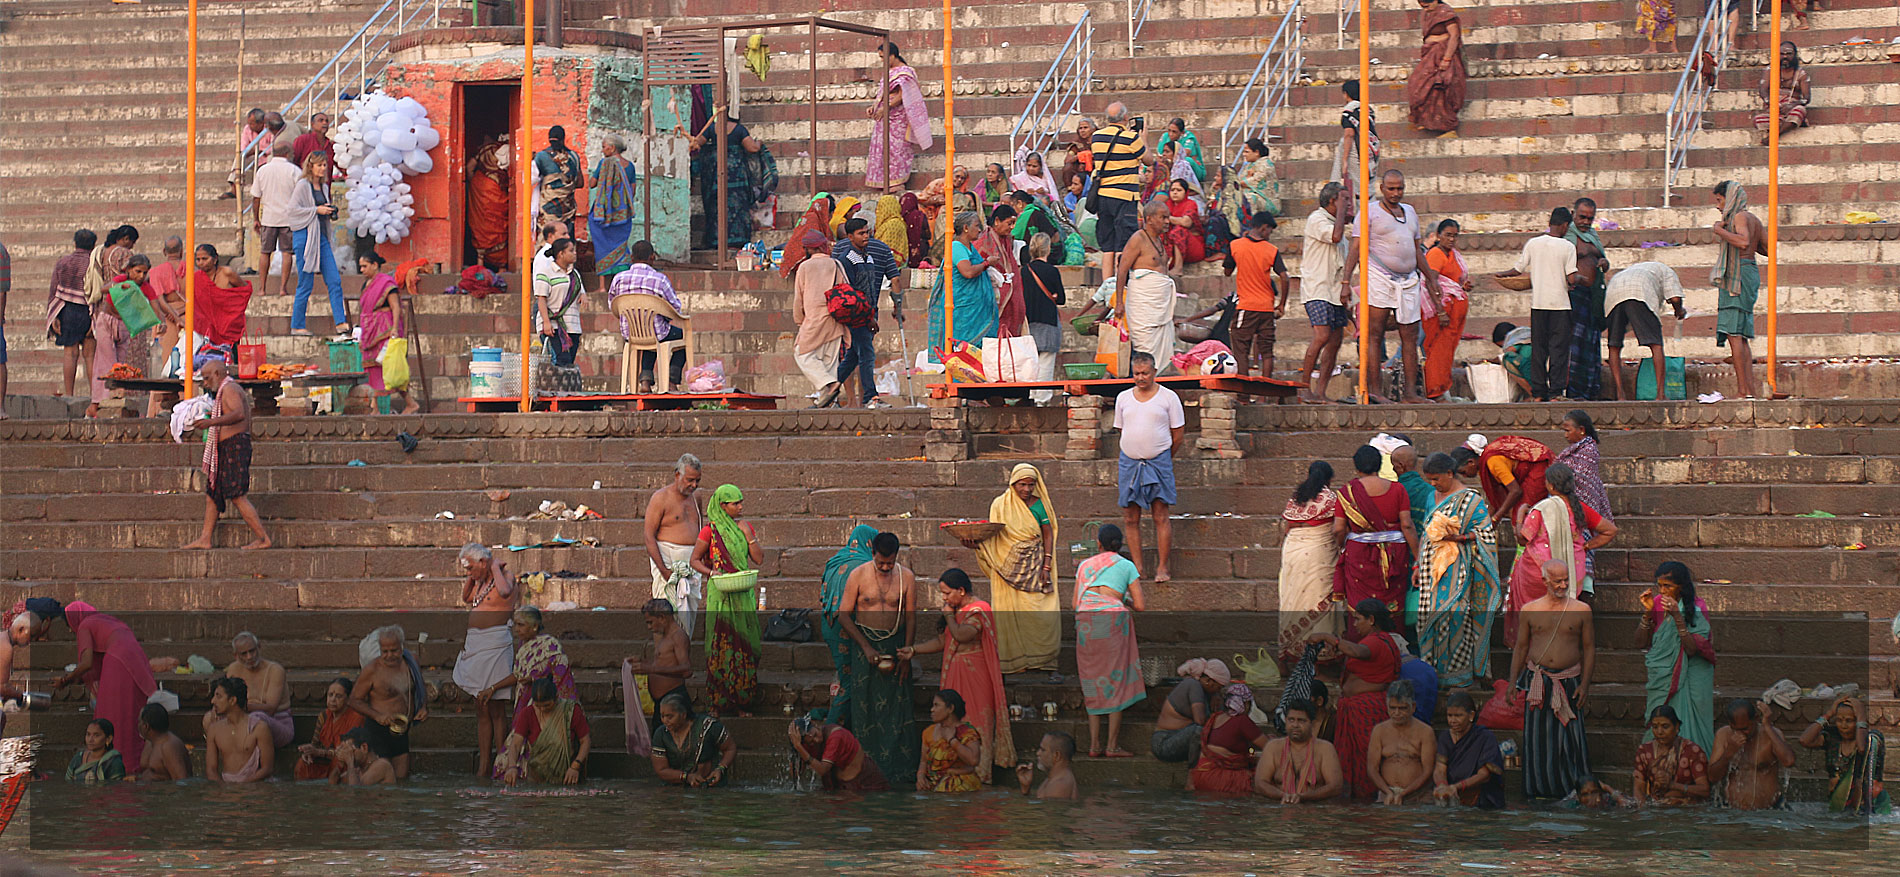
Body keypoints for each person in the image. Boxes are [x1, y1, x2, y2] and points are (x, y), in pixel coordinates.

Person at [10, 599, 156, 774]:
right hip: (132, 658)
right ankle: (129, 763)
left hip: (118, 662)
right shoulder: (104, 620)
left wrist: (65, 680)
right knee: (128, 713)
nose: (72, 631)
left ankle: (121, 765)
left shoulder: (85, 625)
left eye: (70, 627)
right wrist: (74, 678)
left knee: (112, 715)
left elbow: (86, 664)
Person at [897, 569, 1015, 780]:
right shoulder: (956, 611)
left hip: (977, 676)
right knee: (950, 721)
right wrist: (913, 650)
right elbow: (944, 642)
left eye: (947, 593)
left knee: (976, 721)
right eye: (942, 593)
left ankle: (979, 774)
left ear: (961, 591)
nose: (944, 598)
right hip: (955, 673)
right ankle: (950, 771)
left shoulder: (980, 609)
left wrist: (949, 615)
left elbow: (961, 635)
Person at [1342, 170, 1444, 403]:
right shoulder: (1369, 211)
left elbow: (1416, 248)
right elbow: (1356, 248)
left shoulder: (1409, 212)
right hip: (1378, 276)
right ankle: (1376, 392)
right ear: (1382, 188)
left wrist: (1430, 277)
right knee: (1374, 334)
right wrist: (1346, 282)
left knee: (1410, 335)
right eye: (1391, 189)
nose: (1396, 193)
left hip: (1408, 279)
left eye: (1400, 188)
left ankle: (1409, 393)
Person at [1508, 558, 1597, 800]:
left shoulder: (1581, 610)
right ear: (1544, 580)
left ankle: (1579, 791)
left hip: (1570, 680)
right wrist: (1511, 682)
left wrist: (1585, 685)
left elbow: (1589, 648)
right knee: (1538, 739)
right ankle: (1539, 792)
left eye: (1566, 580)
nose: (1563, 585)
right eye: (1557, 581)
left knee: (1573, 739)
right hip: (1538, 680)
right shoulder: (1529, 610)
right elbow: (1521, 647)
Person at [839, 531, 921, 783]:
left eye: (889, 562)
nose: (885, 567)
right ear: (873, 553)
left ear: (897, 556)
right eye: (880, 562)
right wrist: (865, 647)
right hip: (865, 645)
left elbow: (910, 618)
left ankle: (900, 774)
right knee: (865, 708)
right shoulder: (858, 575)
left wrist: (906, 655)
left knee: (898, 708)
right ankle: (864, 772)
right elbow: (843, 615)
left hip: (895, 645)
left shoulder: (906, 577)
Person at [965, 464, 1061, 675]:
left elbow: (1048, 533)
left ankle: (1042, 661)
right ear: (1013, 484)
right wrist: (977, 545)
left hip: (1036, 566)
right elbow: (994, 537)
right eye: (1022, 485)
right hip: (1007, 567)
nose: (1026, 489)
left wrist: (1046, 564)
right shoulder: (1000, 505)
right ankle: (1016, 663)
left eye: (1030, 485)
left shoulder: (1039, 505)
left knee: (1041, 612)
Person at [1415, 452, 1501, 689]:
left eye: (1437, 479)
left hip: (1459, 569)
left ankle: (1457, 676)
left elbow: (1485, 533)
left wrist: (1460, 536)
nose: (1433, 484)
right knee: (1427, 618)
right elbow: (1426, 531)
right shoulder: (1432, 495)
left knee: (1454, 617)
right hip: (1430, 569)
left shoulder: (1471, 500)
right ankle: (1431, 673)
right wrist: (1416, 564)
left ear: (1450, 474)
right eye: (1430, 479)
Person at [1309, 599, 1404, 799]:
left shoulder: (1376, 640)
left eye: (1358, 619)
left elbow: (1358, 652)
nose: (1354, 624)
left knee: (1366, 755)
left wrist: (1328, 637)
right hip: (1359, 708)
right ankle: (1358, 798)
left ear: (1371, 620)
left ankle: (1369, 796)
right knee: (1356, 757)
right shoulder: (1381, 639)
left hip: (1366, 709)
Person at [1509, 463, 1617, 639]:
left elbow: (1522, 538)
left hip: (1539, 573)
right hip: (1572, 572)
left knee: (1536, 623)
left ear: (1550, 485)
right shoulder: (1580, 507)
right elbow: (1610, 530)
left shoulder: (1542, 508)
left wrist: (1521, 514)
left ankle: (1535, 657)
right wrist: (1586, 546)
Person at [1072, 524, 1147, 758]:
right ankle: (1111, 746)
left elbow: (1075, 604)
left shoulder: (1085, 565)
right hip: (1112, 623)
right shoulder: (1126, 566)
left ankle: (1094, 745)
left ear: (1099, 544)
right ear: (1120, 544)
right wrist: (1121, 597)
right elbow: (1141, 606)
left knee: (1092, 682)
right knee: (1115, 681)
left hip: (1087, 626)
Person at [180, 360, 271, 550]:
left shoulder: (229, 388)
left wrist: (212, 422)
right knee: (213, 493)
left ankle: (263, 538)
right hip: (226, 447)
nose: (204, 383)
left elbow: (239, 414)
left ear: (217, 374)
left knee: (237, 495)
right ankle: (205, 538)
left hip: (235, 446)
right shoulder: (225, 389)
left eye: (206, 378)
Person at [1495, 207, 1580, 401]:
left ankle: (1539, 393)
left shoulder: (1533, 243)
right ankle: (1557, 392)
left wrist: (1502, 274)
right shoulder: (1567, 247)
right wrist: (1582, 278)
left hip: (1539, 306)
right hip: (1560, 306)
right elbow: (1572, 279)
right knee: (1559, 351)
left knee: (1539, 350)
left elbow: (1517, 269)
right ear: (1565, 225)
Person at [692, 483, 762, 716]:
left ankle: (742, 703)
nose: (740, 507)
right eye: (735, 503)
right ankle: (717, 703)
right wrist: (712, 572)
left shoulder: (745, 527)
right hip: (720, 596)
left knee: (745, 645)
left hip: (743, 595)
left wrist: (749, 536)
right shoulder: (709, 532)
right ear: (722, 506)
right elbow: (695, 560)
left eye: (741, 502)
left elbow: (759, 560)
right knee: (720, 647)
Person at [1115, 354, 1185, 582]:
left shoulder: (1168, 397)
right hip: (1129, 462)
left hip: (1158, 462)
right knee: (1130, 517)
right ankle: (1138, 568)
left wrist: (1162, 456)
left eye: (1145, 373)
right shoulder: (1123, 398)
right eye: (1136, 373)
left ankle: (1163, 568)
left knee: (1160, 514)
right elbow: (1121, 430)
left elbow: (1178, 434)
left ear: (1154, 372)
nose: (1141, 377)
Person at [452, 543, 518, 777]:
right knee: (481, 706)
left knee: (497, 707)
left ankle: (501, 761)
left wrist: (495, 567)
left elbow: (504, 592)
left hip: (496, 645)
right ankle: (483, 765)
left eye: (471, 568)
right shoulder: (479, 581)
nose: (469, 573)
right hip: (476, 645)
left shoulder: (505, 576)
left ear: (483, 562)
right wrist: (472, 575)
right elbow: (466, 598)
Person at [1640, 562, 1715, 757]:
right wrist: (1648, 613)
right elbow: (1639, 642)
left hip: (1691, 677)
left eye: (1668, 586)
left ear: (1681, 586)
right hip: (1663, 677)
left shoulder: (1697, 607)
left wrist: (1677, 617)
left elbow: (1692, 650)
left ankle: (1694, 772)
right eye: (1660, 586)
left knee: (1692, 728)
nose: (1662, 591)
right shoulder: (1657, 603)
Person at [1333, 445, 1417, 615]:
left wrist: (1340, 546)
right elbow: (1407, 525)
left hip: (1359, 555)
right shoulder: (1398, 489)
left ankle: (1361, 640)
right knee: (1393, 606)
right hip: (1394, 555)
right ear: (1379, 465)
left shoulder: (1346, 493)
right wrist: (1418, 557)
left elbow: (1338, 529)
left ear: (1356, 468)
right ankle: (1392, 641)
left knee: (1360, 608)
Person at [835, 216, 903, 408]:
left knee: (852, 358)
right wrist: (868, 318)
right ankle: (870, 398)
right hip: (857, 315)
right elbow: (853, 293)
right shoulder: (847, 259)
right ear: (850, 236)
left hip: (868, 313)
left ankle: (827, 391)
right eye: (861, 233)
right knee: (866, 354)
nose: (866, 236)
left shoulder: (868, 257)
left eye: (867, 232)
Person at [1277, 462, 1341, 654]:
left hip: (1293, 550)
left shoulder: (1297, 496)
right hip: (1318, 552)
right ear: (1330, 479)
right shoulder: (1332, 498)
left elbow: (1288, 528)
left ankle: (1286, 653)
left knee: (1291, 599)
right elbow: (1338, 528)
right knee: (1318, 598)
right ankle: (1319, 658)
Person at [1709, 181, 1765, 398]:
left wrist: (1719, 232)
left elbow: (1742, 242)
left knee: (1734, 335)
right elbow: (1768, 249)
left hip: (1737, 275)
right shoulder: (1754, 219)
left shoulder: (1739, 217)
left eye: (1719, 200)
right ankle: (1749, 391)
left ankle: (1743, 392)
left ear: (1729, 198)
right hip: (1749, 271)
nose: (1718, 206)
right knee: (1741, 336)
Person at [1296, 183, 1352, 404]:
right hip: (1317, 288)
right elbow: (1335, 237)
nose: (1348, 204)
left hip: (1335, 291)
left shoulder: (1338, 228)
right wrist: (1342, 214)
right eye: (1344, 199)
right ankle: (1303, 388)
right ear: (1332, 201)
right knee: (1321, 336)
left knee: (1336, 340)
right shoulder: (1316, 220)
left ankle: (1320, 391)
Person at [350, 625, 428, 779]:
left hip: (402, 729)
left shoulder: (411, 661)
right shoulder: (372, 670)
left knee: (401, 779)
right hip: (377, 731)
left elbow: (419, 686)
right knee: (382, 779)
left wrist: (423, 707)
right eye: (385, 651)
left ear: (402, 647)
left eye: (394, 651)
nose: (389, 655)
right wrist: (377, 715)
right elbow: (353, 700)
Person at [1220, 212, 1289, 382]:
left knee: (1241, 350)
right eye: (1269, 232)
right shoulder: (1271, 250)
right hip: (1266, 307)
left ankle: (1243, 395)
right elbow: (1285, 277)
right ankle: (1265, 394)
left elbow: (1227, 271)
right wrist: (1281, 305)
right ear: (1264, 228)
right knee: (1267, 352)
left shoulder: (1236, 246)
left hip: (1246, 306)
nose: (1269, 236)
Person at [819, 524, 878, 725]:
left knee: (847, 678)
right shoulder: (864, 566)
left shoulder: (836, 561)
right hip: (848, 626)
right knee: (850, 682)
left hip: (830, 625)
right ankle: (831, 733)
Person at [1604, 261, 1687, 401]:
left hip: (1614, 290)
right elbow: (1675, 298)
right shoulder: (1667, 271)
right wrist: (1679, 310)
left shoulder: (1637, 269)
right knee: (1656, 344)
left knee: (1614, 345)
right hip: (1639, 291)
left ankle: (1620, 395)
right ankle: (1660, 395)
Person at [478, 606, 578, 721]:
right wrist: (493, 688)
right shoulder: (523, 647)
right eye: (515, 624)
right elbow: (518, 675)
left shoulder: (550, 645)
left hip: (545, 705)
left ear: (535, 626)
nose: (516, 629)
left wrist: (534, 679)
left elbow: (561, 675)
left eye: (521, 625)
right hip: (524, 702)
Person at [286, 151, 346, 338]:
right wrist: (315, 210)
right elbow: (292, 211)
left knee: (334, 280)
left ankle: (341, 322)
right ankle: (297, 325)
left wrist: (327, 212)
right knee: (306, 282)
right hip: (305, 236)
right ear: (310, 166)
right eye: (319, 165)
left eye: (324, 165)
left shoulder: (325, 187)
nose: (322, 168)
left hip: (320, 236)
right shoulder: (303, 186)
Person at [646, 454, 706, 639]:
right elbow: (649, 536)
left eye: (697, 480)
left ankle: (681, 662)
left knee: (687, 622)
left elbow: (701, 529)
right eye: (690, 480)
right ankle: (664, 663)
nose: (694, 485)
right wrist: (663, 570)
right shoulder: (660, 498)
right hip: (668, 563)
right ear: (677, 475)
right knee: (665, 619)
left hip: (691, 565)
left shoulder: (697, 497)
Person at [790, 229, 851, 408]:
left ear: (808, 249)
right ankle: (828, 403)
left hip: (814, 318)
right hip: (835, 319)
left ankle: (829, 385)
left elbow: (798, 298)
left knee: (802, 353)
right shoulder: (836, 264)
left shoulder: (805, 267)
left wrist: (799, 320)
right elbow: (846, 290)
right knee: (829, 362)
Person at [1798, 695, 1890, 814]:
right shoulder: (1832, 737)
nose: (1843, 725)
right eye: (1839, 720)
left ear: (1858, 721)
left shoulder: (1873, 738)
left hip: (1868, 808)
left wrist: (1862, 715)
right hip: (1838, 805)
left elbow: (1862, 748)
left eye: (1849, 720)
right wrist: (1829, 714)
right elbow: (1804, 740)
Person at [496, 676, 592, 787]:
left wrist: (575, 766)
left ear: (556, 697)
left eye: (547, 705)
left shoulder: (570, 711)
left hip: (568, 776)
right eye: (538, 706)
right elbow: (516, 744)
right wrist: (512, 766)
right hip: (536, 777)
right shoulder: (527, 713)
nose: (542, 710)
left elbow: (585, 741)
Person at [929, 212, 1001, 354]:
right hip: (964, 311)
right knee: (963, 353)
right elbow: (967, 272)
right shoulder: (956, 247)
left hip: (976, 310)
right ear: (966, 228)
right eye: (977, 226)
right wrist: (987, 263)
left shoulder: (970, 248)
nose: (980, 230)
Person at [865, 41, 932, 192]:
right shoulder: (889, 72)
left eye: (883, 57)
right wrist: (874, 107)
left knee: (897, 149)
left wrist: (886, 108)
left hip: (897, 117)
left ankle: (897, 181)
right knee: (883, 147)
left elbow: (904, 94)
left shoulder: (905, 72)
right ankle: (884, 180)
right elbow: (884, 94)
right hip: (884, 117)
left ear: (893, 55)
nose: (881, 61)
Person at [356, 252, 418, 413]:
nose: (362, 270)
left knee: (388, 368)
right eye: (360, 266)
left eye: (365, 266)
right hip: (369, 330)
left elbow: (396, 307)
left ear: (375, 265)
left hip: (384, 328)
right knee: (371, 368)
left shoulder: (386, 283)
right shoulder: (366, 285)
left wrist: (395, 329)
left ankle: (411, 404)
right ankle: (374, 407)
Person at [1418, 219, 1472, 400]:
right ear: (1438, 235)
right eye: (1448, 235)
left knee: (1447, 351)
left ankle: (1442, 387)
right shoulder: (1435, 254)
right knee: (1436, 351)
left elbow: (1452, 282)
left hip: (1454, 312)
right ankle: (1434, 391)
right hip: (1441, 313)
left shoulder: (1453, 255)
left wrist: (1463, 286)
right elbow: (1430, 282)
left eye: (1455, 236)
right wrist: (1440, 311)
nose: (1451, 239)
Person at [689, 114, 760, 250]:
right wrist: (759, 143)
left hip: (716, 176)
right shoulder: (739, 130)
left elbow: (696, 144)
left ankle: (716, 239)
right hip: (737, 177)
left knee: (716, 207)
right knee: (738, 207)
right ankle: (738, 240)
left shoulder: (711, 129)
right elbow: (752, 148)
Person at [1709, 698, 1795, 809]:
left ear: (1756, 719)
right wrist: (1728, 753)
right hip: (1732, 810)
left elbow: (1789, 761)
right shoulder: (1723, 735)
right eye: (1736, 729)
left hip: (1770, 810)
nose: (1741, 734)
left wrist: (1767, 726)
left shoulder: (1771, 735)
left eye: (1745, 729)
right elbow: (1712, 777)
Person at [1252, 698, 1342, 803]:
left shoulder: (1325, 749)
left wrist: (1303, 797)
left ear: (1312, 723)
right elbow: (1259, 783)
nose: (1295, 725)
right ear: (1285, 721)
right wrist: (1283, 796)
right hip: (1279, 811)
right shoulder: (1273, 747)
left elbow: (1335, 786)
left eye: (1301, 720)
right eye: (1291, 720)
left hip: (1314, 813)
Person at [1091, 102, 1148, 264]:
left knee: (1108, 246)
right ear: (1125, 117)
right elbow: (1148, 160)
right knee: (1124, 243)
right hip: (1124, 196)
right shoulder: (1131, 139)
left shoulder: (1097, 137)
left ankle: (1108, 284)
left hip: (1103, 196)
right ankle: (1121, 283)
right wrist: (1143, 139)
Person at [1189, 683, 1271, 794]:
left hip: (1200, 775)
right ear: (1246, 704)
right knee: (1263, 780)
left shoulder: (1215, 717)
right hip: (1219, 778)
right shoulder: (1242, 720)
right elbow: (1269, 747)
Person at [1367, 679, 1438, 804]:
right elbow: (1372, 768)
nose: (1397, 713)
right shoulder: (1379, 730)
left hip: (1418, 796)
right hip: (1386, 794)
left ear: (1413, 707)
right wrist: (1388, 792)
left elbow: (1428, 770)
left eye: (1402, 708)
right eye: (1392, 708)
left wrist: (1405, 793)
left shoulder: (1425, 732)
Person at [219, 631, 293, 749]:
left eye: (252, 651)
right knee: (211, 717)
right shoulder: (233, 669)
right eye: (244, 653)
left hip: (277, 722)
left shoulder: (275, 670)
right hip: (241, 722)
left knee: (257, 718)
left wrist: (240, 706)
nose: (250, 657)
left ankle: (261, 765)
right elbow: (225, 698)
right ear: (236, 656)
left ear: (259, 647)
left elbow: (271, 709)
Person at [45, 229, 96, 398]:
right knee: (90, 355)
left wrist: (54, 317)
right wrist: (94, 317)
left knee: (70, 352)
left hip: (67, 310)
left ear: (75, 243)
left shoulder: (63, 262)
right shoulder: (94, 263)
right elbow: (97, 292)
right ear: (93, 245)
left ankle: (69, 394)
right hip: (88, 310)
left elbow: (54, 290)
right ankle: (93, 394)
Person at [1433, 690, 1505, 808]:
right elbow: (1440, 769)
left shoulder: (1485, 737)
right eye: (1449, 716)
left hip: (1481, 799)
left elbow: (1484, 775)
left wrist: (1456, 787)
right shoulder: (1445, 737)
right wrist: (1442, 786)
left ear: (1471, 715)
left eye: (1458, 716)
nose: (1452, 721)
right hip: (1452, 796)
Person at [652, 690, 737, 787]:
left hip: (711, 787)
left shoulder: (709, 726)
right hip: (675, 790)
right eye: (662, 716)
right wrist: (686, 777)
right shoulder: (661, 734)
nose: (665, 721)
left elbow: (730, 748)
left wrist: (720, 769)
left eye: (669, 716)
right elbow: (661, 769)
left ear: (683, 714)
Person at [250, 139, 302, 297]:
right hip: (288, 219)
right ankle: (282, 288)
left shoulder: (262, 170)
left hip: (268, 218)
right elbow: (301, 196)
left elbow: (256, 197)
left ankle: (262, 288)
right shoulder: (295, 171)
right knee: (287, 253)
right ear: (287, 153)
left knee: (265, 252)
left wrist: (256, 218)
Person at [1151, 658, 1229, 764]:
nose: (1218, 691)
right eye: (1218, 688)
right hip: (1164, 743)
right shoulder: (1193, 685)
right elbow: (1200, 721)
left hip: (1181, 740)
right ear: (1208, 681)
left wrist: (1216, 695)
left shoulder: (1206, 691)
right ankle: (1194, 771)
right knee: (1199, 730)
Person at [1632, 705, 1711, 807]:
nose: (1659, 732)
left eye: (1665, 726)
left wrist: (1673, 785)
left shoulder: (1691, 751)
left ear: (1677, 726)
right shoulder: (1644, 751)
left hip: (1688, 809)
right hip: (1656, 808)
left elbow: (1704, 790)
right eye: (1655, 727)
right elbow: (1638, 789)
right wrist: (1642, 813)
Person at [1406, 0, 1467, 132]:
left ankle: (1445, 124)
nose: (1426, 9)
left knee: (1441, 86)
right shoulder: (1427, 14)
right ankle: (1427, 119)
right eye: (1423, 7)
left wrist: (1447, 58)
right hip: (1431, 55)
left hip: (1444, 54)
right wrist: (1433, 39)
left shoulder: (1445, 12)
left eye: (1427, 6)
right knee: (1417, 84)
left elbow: (1454, 35)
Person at [789, 715, 889, 791]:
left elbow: (823, 770)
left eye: (816, 734)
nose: (817, 740)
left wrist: (798, 747)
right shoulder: (806, 743)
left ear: (814, 724)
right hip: (838, 788)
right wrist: (796, 748)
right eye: (811, 742)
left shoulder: (836, 736)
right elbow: (796, 776)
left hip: (864, 785)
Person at [1472, 433, 1553, 528]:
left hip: (1538, 467)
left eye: (1463, 472)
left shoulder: (1492, 461)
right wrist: (1486, 525)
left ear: (1471, 462)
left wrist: (1496, 518)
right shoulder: (1489, 459)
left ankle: (1527, 541)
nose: (1464, 475)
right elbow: (1494, 497)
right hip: (1528, 469)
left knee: (1522, 517)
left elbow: (1515, 491)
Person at [628, 598, 693, 714]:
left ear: (662, 618)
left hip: (674, 700)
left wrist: (651, 669)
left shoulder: (678, 636)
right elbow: (664, 663)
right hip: (662, 703)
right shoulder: (664, 637)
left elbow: (686, 670)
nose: (649, 627)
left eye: (650, 622)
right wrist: (642, 663)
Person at [205, 677, 273, 783]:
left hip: (253, 789)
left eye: (218, 696)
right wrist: (224, 790)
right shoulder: (214, 729)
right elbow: (211, 770)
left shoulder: (259, 728)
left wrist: (242, 788)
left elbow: (267, 769)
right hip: (225, 789)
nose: (213, 701)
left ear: (232, 700)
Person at [588, 134, 637, 279]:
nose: (603, 150)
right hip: (622, 214)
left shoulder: (604, 164)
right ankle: (622, 278)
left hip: (603, 213)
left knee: (602, 244)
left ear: (612, 148)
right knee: (621, 244)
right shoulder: (630, 167)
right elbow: (632, 191)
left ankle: (603, 285)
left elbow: (592, 184)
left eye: (604, 147)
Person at [294, 677, 362, 781]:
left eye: (338, 696)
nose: (333, 700)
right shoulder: (324, 716)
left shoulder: (356, 718)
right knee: (302, 764)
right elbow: (315, 744)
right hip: (324, 761)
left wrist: (318, 752)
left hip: (346, 762)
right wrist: (308, 752)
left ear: (348, 699)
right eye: (330, 695)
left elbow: (346, 752)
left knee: (338, 762)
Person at [1023, 234, 1066, 390]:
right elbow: (1061, 299)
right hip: (1048, 321)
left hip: (1029, 323)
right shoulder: (1052, 271)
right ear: (1047, 249)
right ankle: (1042, 399)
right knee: (1046, 364)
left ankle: (1030, 396)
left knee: (1030, 364)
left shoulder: (1024, 271)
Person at [917, 690, 984, 793]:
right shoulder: (928, 732)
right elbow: (923, 761)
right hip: (934, 785)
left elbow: (973, 760)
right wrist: (920, 777)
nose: (932, 710)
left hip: (962, 789)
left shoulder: (967, 732)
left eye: (936, 705)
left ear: (950, 708)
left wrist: (952, 741)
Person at [534, 238, 585, 368]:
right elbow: (541, 299)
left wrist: (584, 296)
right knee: (560, 360)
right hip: (553, 325)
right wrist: (546, 322)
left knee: (569, 362)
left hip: (572, 325)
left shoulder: (575, 274)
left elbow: (581, 292)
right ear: (561, 254)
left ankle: (564, 388)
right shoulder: (545, 273)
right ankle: (556, 388)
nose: (575, 254)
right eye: (571, 251)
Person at [979, 205, 1027, 340]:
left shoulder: (1006, 241)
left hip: (1009, 299)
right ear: (997, 221)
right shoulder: (984, 242)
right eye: (1009, 223)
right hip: (992, 299)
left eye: (1013, 224)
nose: (1012, 227)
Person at [467, 133, 513, 270]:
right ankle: (501, 265)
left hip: (479, 187)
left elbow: (469, 168)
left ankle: (480, 261)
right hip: (496, 190)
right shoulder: (508, 151)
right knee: (498, 224)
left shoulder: (484, 151)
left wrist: (474, 185)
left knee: (480, 223)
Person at [1754, 42, 1811, 145]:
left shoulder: (1801, 74)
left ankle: (1772, 138)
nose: (1785, 57)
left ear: (1795, 55)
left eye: (1789, 54)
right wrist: (1771, 103)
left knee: (1799, 110)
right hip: (1774, 109)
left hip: (1792, 108)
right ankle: (1791, 124)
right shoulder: (1769, 71)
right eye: (1781, 54)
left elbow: (1807, 98)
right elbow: (1763, 90)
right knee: (1758, 120)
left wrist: (1791, 105)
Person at [1332, 80, 1381, 196]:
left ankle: (1364, 211)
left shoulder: (1349, 110)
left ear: (1346, 94)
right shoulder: (1368, 109)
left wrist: (1344, 160)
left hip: (1356, 149)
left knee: (1360, 187)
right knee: (1368, 184)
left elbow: (1349, 134)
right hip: (1372, 148)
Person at [532, 125, 585, 231]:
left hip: (548, 209)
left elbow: (530, 180)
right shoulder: (574, 156)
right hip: (568, 209)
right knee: (566, 239)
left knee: (547, 238)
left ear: (549, 138)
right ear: (563, 138)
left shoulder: (541, 157)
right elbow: (580, 183)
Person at [135, 703, 191, 782]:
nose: (138, 725)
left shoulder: (169, 746)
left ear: (146, 726)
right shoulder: (150, 742)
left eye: (139, 721)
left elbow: (182, 782)